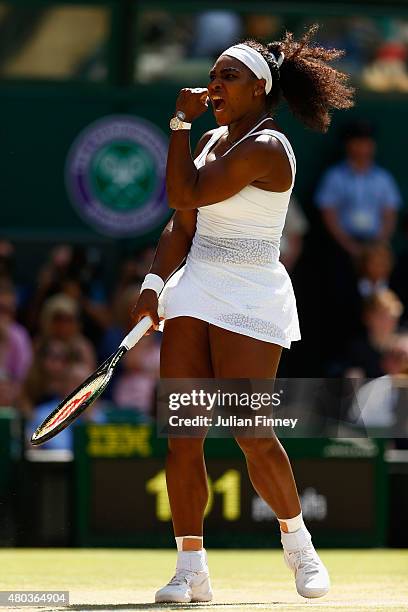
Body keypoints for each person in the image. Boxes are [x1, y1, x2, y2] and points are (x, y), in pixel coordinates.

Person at [132, 25, 353, 604]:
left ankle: (298, 543)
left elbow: (184, 196)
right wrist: (155, 283)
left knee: (251, 433)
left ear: (260, 88)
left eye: (228, 76)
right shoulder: (210, 143)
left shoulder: (267, 147)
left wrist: (178, 124)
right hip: (193, 289)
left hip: (250, 295)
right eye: (212, 75)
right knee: (183, 436)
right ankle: (191, 569)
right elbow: (181, 225)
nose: (214, 85)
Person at [316, 120, 402, 256]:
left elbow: (390, 215)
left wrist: (378, 246)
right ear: (348, 145)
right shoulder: (334, 177)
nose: (363, 147)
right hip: (341, 248)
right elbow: (329, 215)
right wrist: (350, 247)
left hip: (374, 247)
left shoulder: (383, 178)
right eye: (358, 142)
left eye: (367, 142)